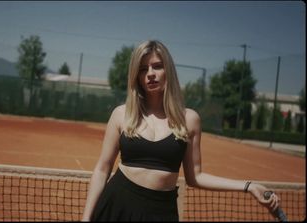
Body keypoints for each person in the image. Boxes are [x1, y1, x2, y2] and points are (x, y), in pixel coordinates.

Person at [81, 40, 281, 221]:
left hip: (161, 212)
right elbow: (102, 169)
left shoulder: (190, 120)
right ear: (137, 76)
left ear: (168, 70)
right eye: (143, 69)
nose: (150, 73)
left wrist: (249, 186)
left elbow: (196, 177)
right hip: (117, 205)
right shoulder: (121, 114)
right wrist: (86, 219)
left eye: (157, 66)